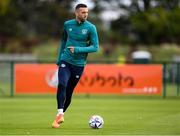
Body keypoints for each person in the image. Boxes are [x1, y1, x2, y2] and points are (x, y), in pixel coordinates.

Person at [52, 3, 99, 128]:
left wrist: (77, 49)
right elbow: (63, 40)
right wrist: (59, 58)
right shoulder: (67, 24)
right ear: (76, 12)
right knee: (62, 83)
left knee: (69, 93)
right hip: (65, 60)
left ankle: (58, 117)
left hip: (78, 64)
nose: (86, 14)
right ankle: (60, 113)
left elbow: (95, 47)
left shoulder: (91, 28)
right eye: (83, 12)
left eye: (87, 12)